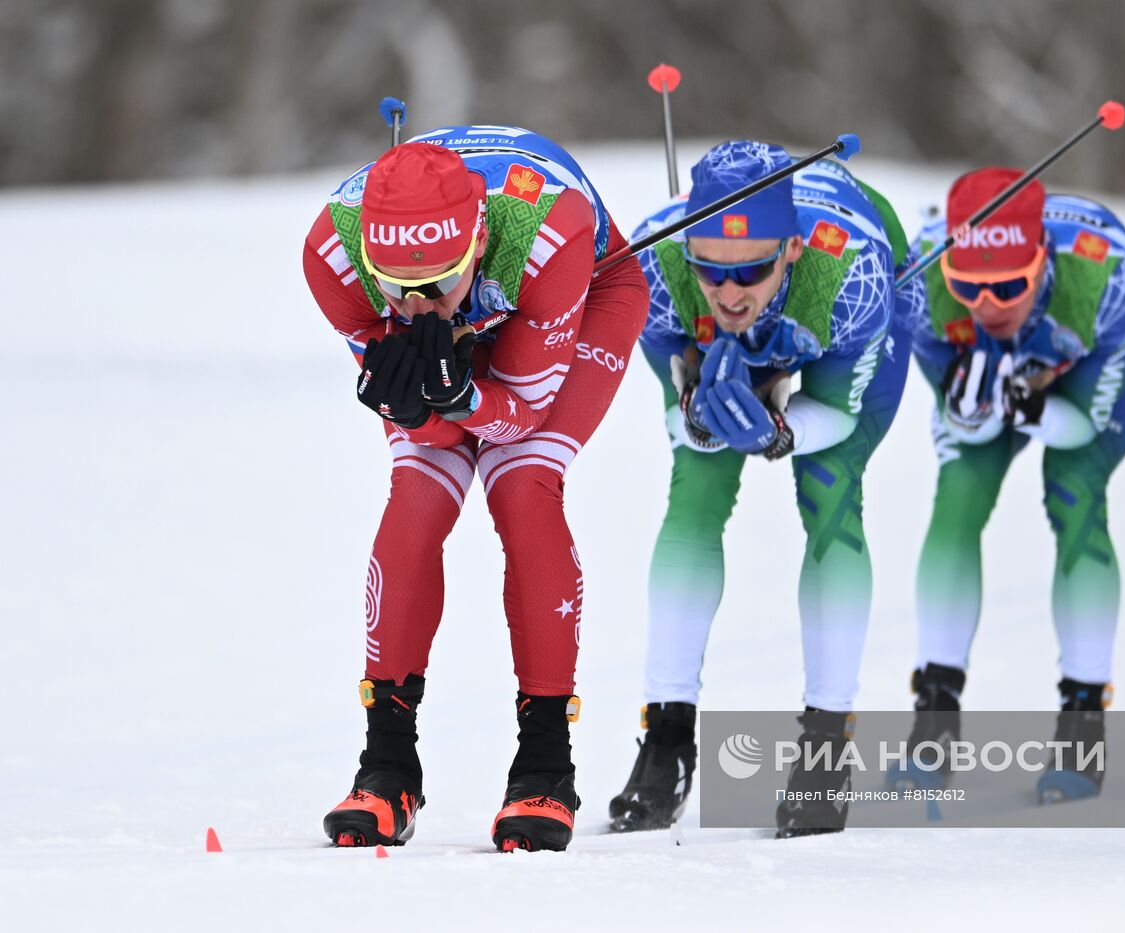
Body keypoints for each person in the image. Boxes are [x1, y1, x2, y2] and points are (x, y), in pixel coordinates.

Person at [301, 126, 648, 851]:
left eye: (439, 282)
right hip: (491, 313)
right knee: (418, 497)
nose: (419, 305)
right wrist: (415, 406)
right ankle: (388, 762)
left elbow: (517, 415)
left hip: (580, 296)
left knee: (522, 486)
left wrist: (461, 397)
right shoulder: (332, 255)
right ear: (370, 258)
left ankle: (545, 765)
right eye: (396, 288)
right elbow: (429, 425)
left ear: (480, 240)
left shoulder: (547, 229)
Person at [608, 140, 920, 837]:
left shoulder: (852, 275)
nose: (729, 291)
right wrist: (695, 407)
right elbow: (679, 400)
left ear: (791, 253)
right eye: (711, 271)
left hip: (850, 310)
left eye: (751, 269)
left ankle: (827, 744)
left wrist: (781, 431)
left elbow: (837, 416)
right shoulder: (656, 268)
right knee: (696, 486)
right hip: (734, 326)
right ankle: (666, 737)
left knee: (830, 491)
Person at [893, 167, 1125, 801]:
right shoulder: (923, 281)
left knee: (1074, 494)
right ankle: (934, 712)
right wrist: (969, 407)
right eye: (970, 287)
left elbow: (1083, 426)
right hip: (990, 364)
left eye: (1009, 286)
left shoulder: (1109, 281)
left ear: (1041, 262)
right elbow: (956, 408)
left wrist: (1033, 405)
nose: (987, 306)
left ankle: (1083, 716)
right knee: (958, 496)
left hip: (1096, 353)